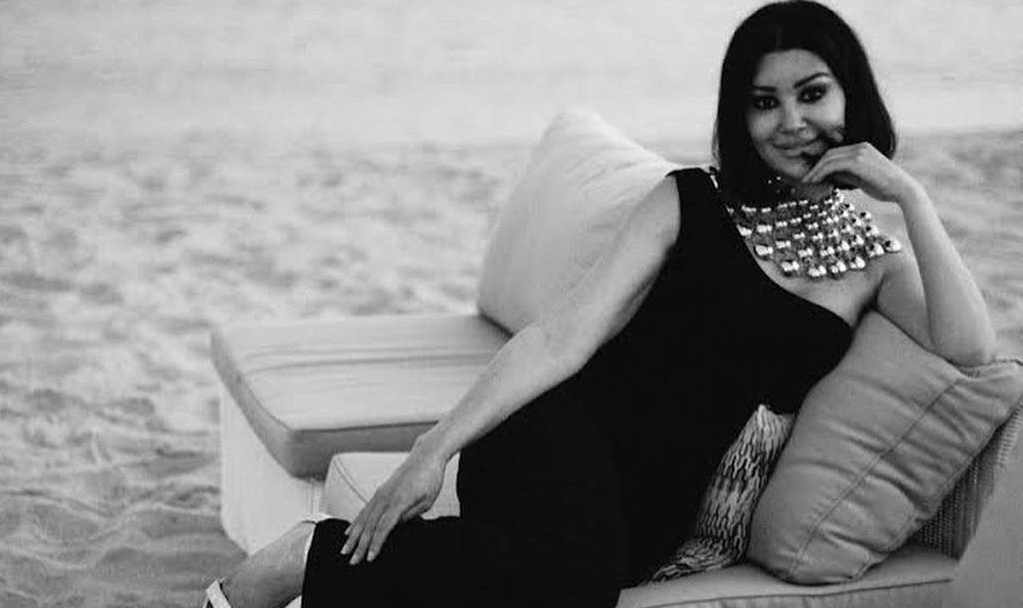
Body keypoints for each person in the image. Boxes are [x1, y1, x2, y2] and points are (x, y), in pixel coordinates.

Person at [200, 2, 996, 607]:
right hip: (555, 433)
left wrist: (912, 197)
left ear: (851, 96)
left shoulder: (871, 262)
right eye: (764, 102)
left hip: (655, 505)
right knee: (573, 584)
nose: (791, 122)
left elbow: (969, 347)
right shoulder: (690, 200)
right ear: (741, 114)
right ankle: (307, 556)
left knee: (556, 578)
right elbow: (560, 339)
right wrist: (429, 453)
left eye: (813, 94)